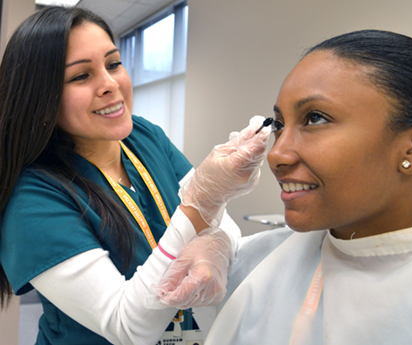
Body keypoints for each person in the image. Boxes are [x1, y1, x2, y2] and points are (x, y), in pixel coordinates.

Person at [157, 29, 412, 344]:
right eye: (279, 125)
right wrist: (216, 241)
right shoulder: (256, 260)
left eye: (315, 119)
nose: (276, 155)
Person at [0, 6, 270, 345]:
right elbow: (127, 328)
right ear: (40, 97)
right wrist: (200, 207)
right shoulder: (33, 199)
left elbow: (222, 222)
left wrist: (215, 244)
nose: (111, 84)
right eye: (81, 76)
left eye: (113, 64)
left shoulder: (145, 136)